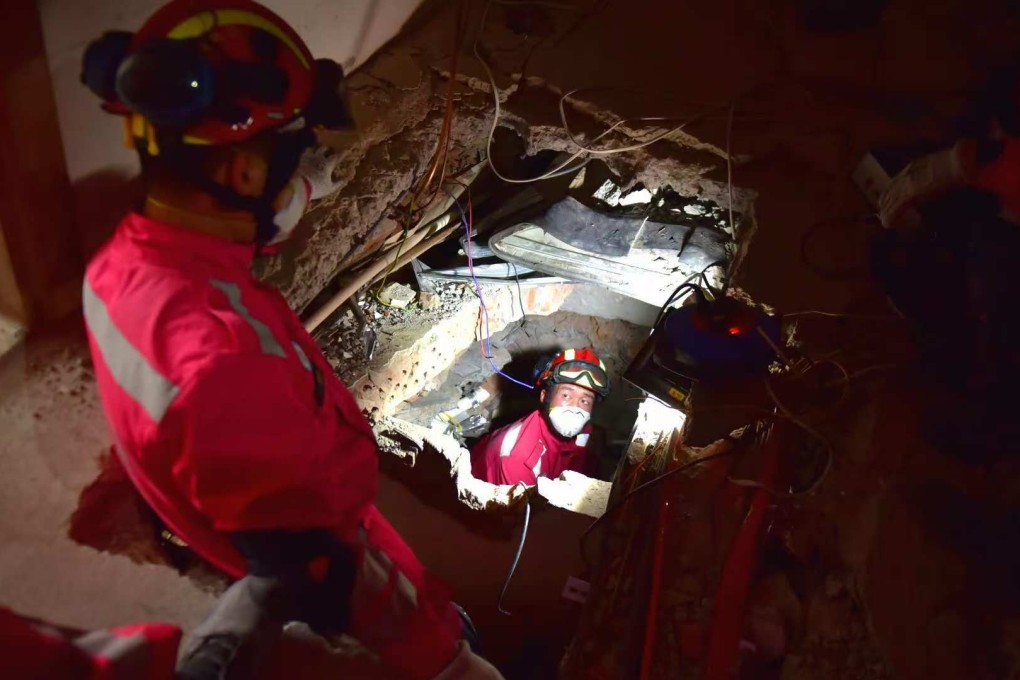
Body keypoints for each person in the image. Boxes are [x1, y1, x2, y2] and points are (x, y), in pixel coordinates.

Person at [79, 2, 499, 678]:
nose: (300, 169)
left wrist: (292, 191)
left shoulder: (120, 267)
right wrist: (444, 658)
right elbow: (326, 571)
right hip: (355, 573)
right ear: (241, 175)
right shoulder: (228, 365)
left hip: (231, 518)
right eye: (288, 156)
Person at [471, 348, 608, 486]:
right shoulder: (516, 460)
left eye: (585, 401)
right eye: (566, 395)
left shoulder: (587, 433)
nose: (575, 408)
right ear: (544, 396)